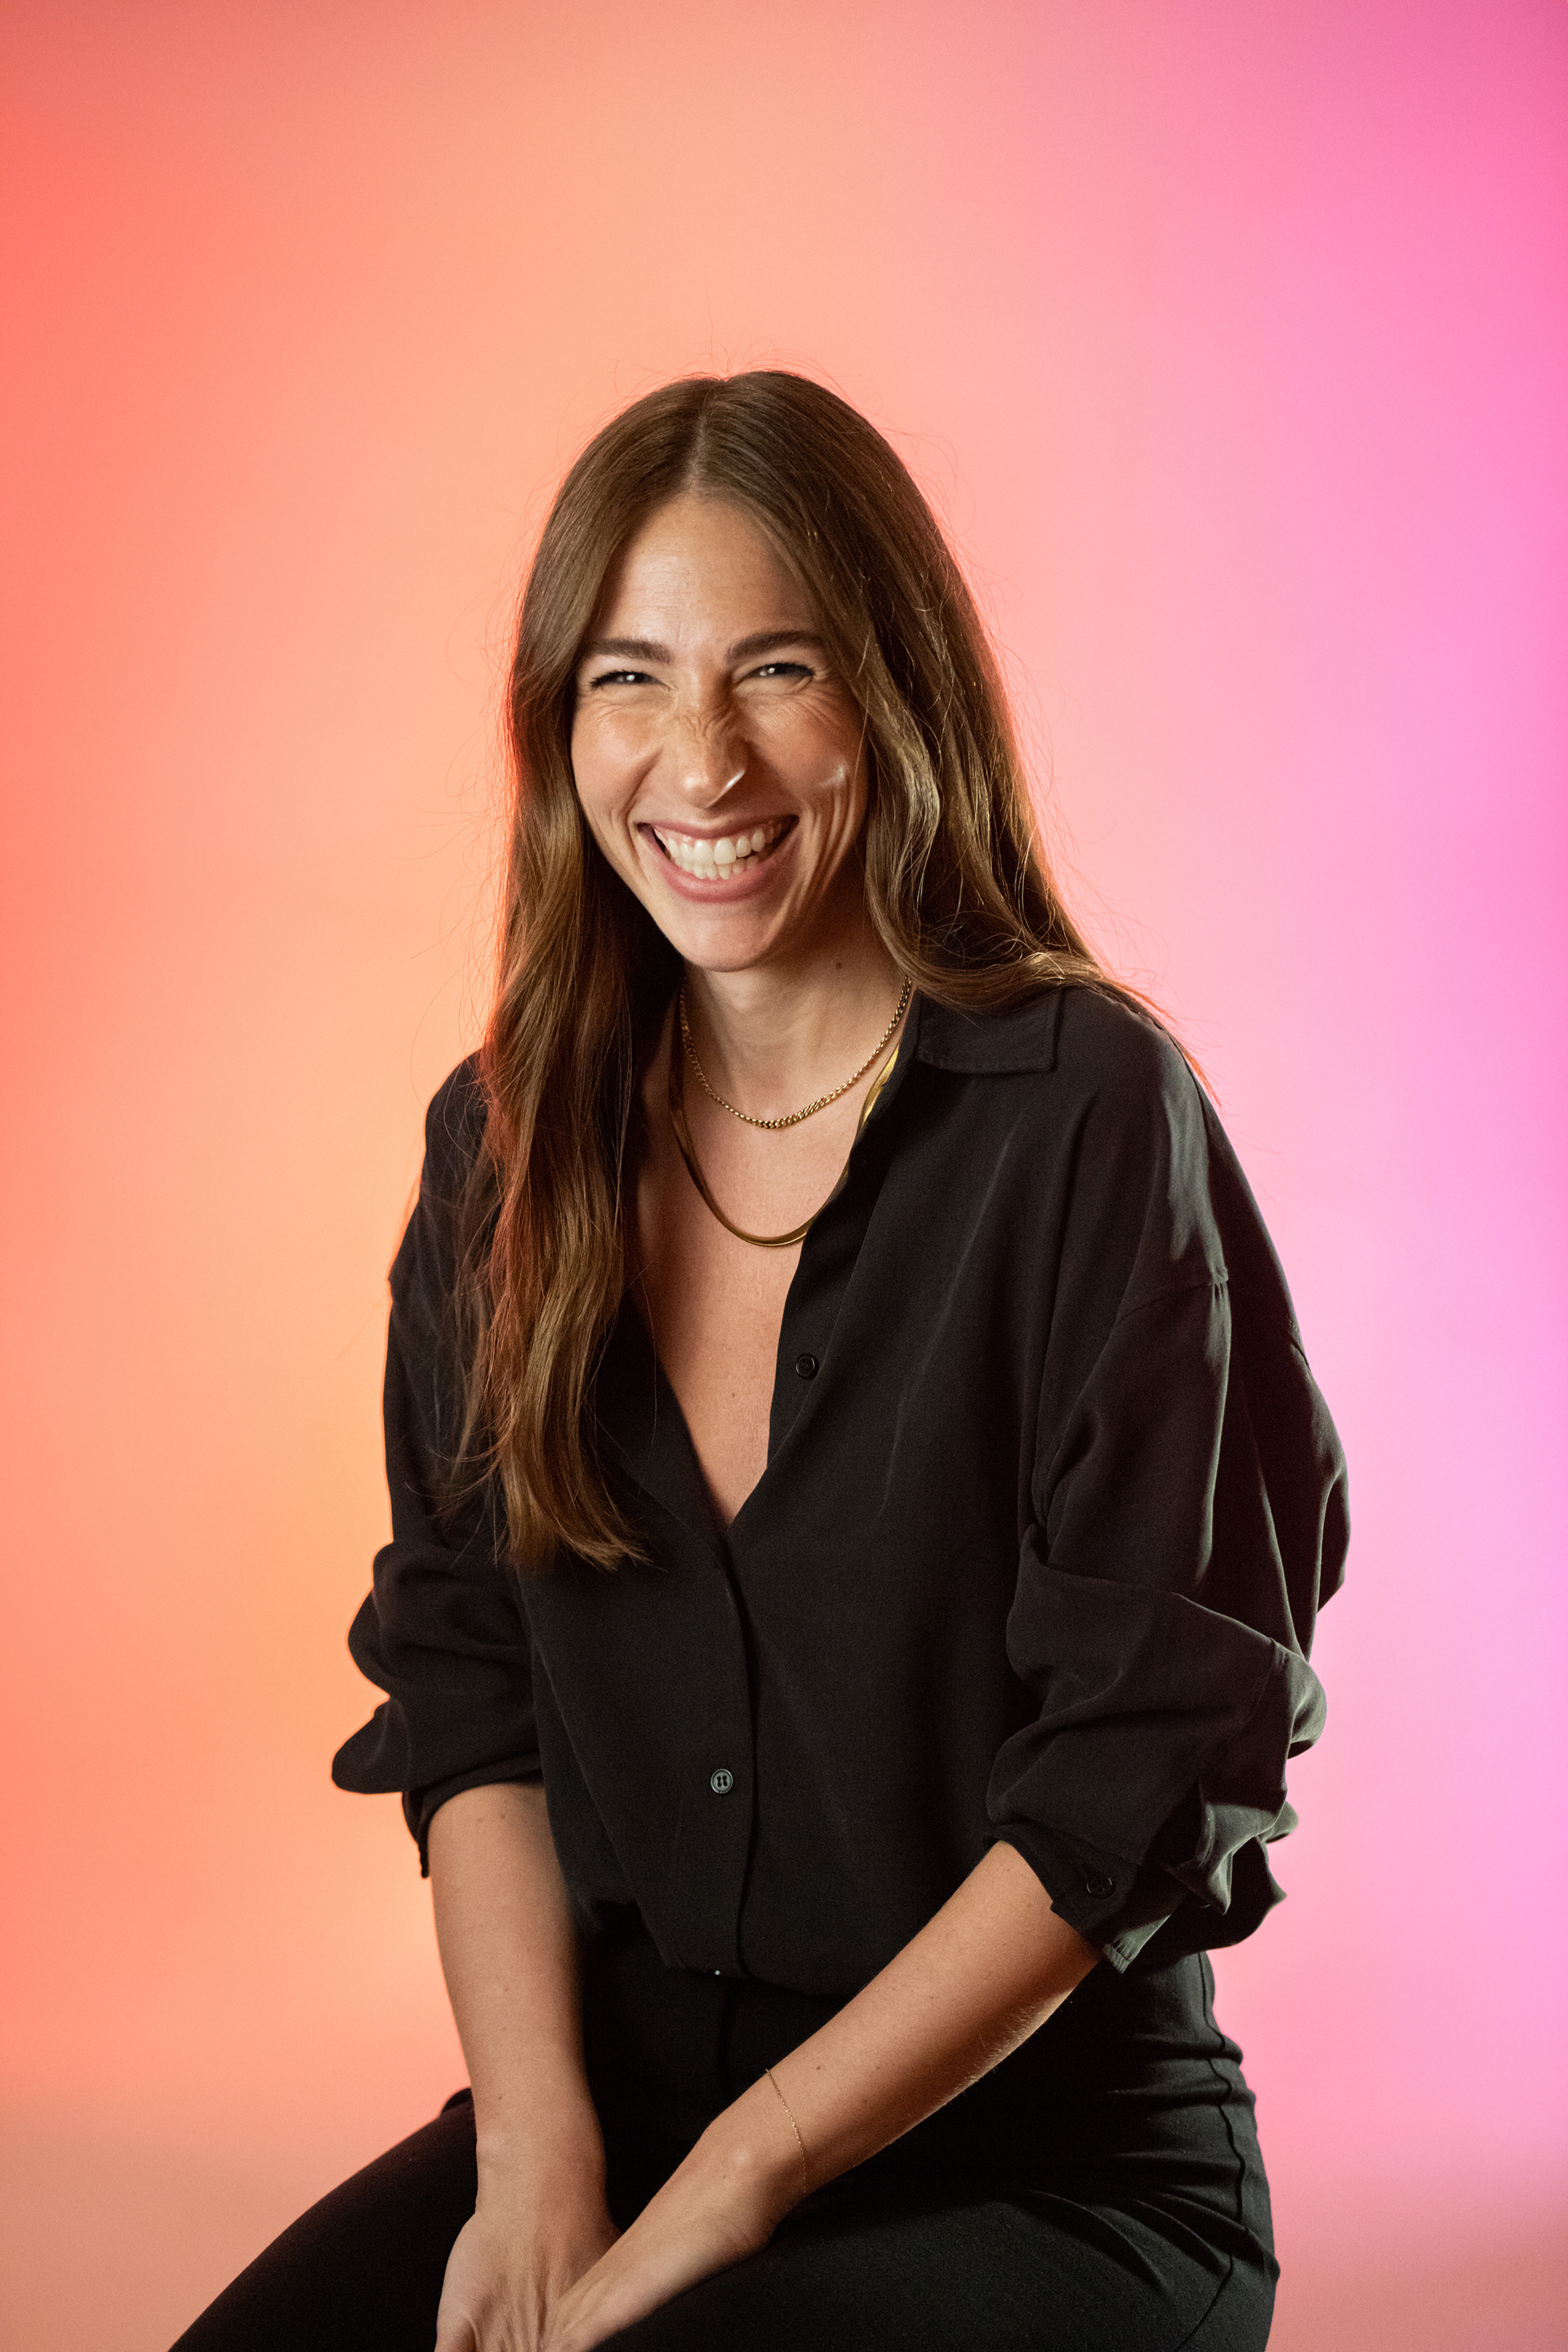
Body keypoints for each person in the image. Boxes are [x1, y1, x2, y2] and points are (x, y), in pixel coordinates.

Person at [172, 371, 1347, 2352]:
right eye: (628, 679)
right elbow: (472, 1687)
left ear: (892, 698)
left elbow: (1145, 1765)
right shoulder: (502, 1146)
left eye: (775, 669)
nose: (700, 761)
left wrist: (741, 2176)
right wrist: (536, 2161)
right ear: (558, 727)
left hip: (1044, 2169)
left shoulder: (1086, 1116)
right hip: (612, 2116)